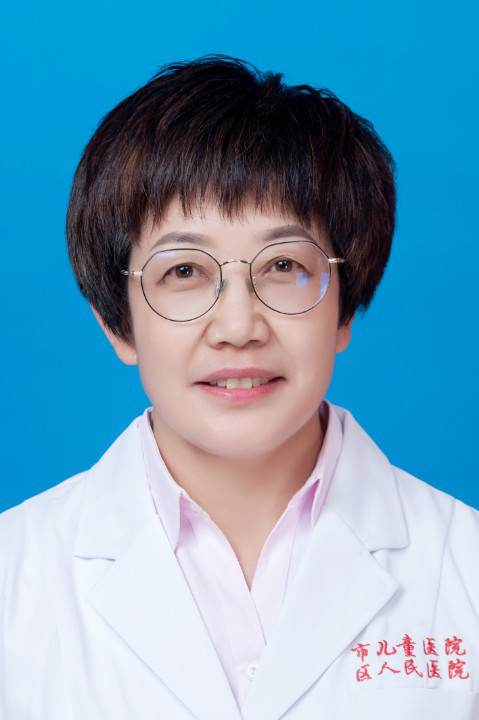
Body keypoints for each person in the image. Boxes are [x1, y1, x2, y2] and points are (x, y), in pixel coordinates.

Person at [1, 55, 478, 720]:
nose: (237, 326)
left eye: (283, 265)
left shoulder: (464, 567)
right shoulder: (14, 578)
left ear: (344, 308)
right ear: (117, 324)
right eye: (183, 272)